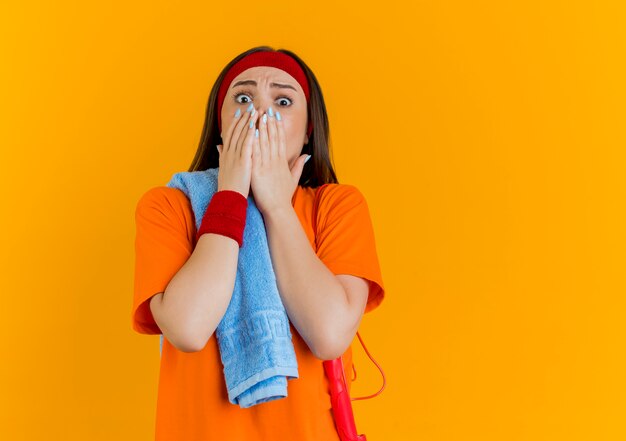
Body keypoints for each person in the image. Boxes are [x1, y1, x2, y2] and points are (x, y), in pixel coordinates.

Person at [131, 46, 386, 440]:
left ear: (307, 131)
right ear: (221, 123)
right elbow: (187, 327)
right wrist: (231, 195)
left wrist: (276, 208)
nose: (259, 115)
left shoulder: (336, 207)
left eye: (282, 101)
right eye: (244, 98)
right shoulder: (169, 206)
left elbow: (329, 334)